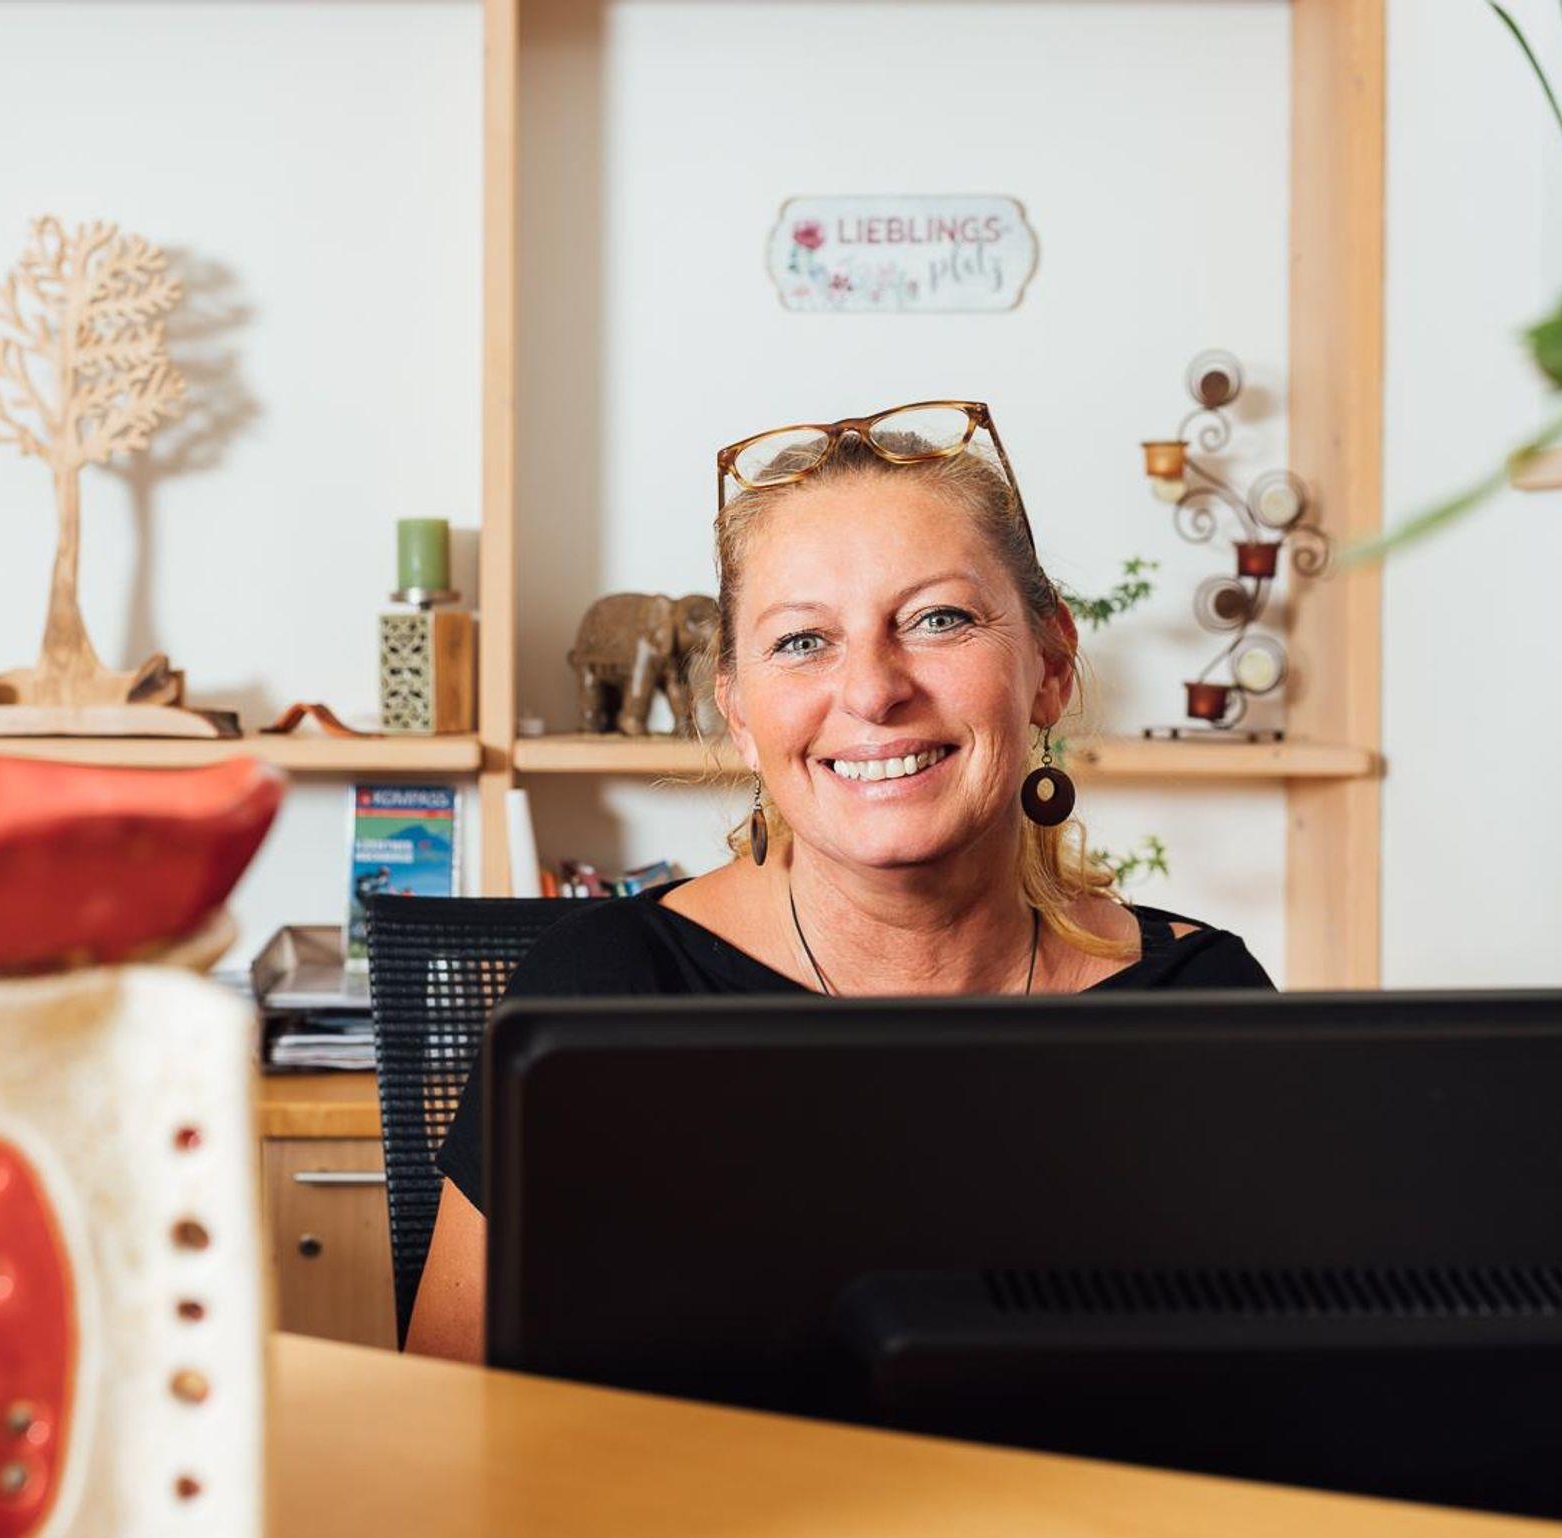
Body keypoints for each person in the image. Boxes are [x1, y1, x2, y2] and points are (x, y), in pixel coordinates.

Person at [404, 402, 1274, 1362]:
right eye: (801, 641)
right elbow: (453, 1415)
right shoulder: (597, 999)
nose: (872, 690)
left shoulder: (1205, 1007)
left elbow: (1279, 1411)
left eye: (938, 619)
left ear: (1051, 666)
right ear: (739, 712)